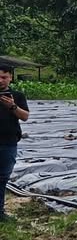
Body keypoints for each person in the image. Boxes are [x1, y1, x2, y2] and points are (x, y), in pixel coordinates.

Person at [0, 64, 31, 221]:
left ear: (10, 77)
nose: (0, 80)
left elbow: (25, 116)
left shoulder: (17, 96)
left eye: (4, 77)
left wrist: (12, 106)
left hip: (8, 143)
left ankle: (0, 213)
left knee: (3, 178)